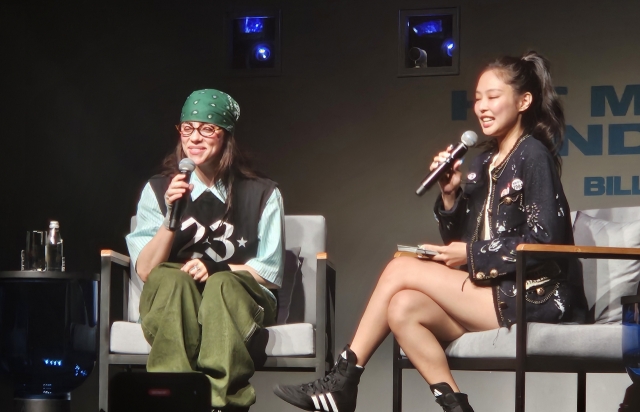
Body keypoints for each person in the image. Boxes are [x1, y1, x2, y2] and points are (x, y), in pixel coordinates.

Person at [273, 51, 587, 412]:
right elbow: (465, 236)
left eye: (493, 96)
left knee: (399, 270)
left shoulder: (533, 154)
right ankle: (457, 407)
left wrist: (467, 256)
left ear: (524, 101)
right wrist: (450, 194)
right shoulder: (483, 161)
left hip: (536, 297)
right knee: (402, 307)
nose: (482, 106)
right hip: (492, 290)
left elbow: (545, 241)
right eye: (477, 98)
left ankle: (344, 379)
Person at [126, 89, 285, 412]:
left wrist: (219, 270)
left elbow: (269, 272)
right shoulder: (159, 190)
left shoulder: (262, 193)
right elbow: (146, 270)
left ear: (226, 136)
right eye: (187, 128)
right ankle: (171, 400)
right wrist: (171, 215)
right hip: (175, 298)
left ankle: (221, 404)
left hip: (236, 295)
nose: (194, 138)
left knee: (221, 285)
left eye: (206, 129)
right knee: (172, 279)